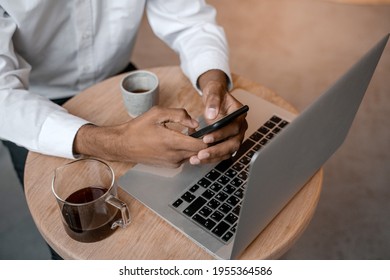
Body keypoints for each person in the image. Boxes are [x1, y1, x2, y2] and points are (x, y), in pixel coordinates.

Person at [0, 1, 247, 258]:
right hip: (31, 106)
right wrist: (119, 143)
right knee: (78, 246)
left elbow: (191, 22)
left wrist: (213, 83)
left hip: (119, 77)